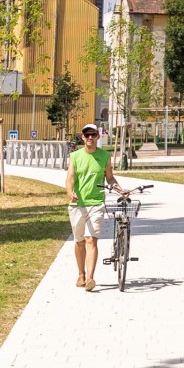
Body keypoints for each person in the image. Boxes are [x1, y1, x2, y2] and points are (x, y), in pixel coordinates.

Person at [65, 122, 122, 291]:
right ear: (82, 137)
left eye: (93, 135)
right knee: (80, 241)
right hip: (77, 204)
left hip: (96, 203)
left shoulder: (105, 156)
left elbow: (110, 178)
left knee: (92, 240)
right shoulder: (75, 156)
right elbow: (70, 178)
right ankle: (81, 274)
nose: (90, 138)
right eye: (87, 135)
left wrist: (120, 190)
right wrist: (69, 192)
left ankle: (90, 278)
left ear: (98, 137)